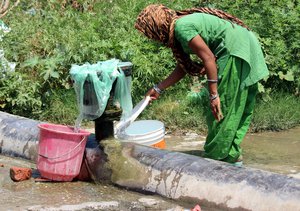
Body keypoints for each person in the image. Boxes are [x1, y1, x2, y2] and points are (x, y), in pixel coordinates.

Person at [134, 4, 269, 165]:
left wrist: (214, 94)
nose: (152, 39)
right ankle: (231, 155)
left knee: (221, 110)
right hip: (246, 44)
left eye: (150, 34)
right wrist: (158, 88)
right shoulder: (181, 25)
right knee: (237, 108)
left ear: (156, 27)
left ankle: (217, 162)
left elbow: (209, 58)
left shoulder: (182, 28)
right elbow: (182, 68)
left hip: (235, 51)